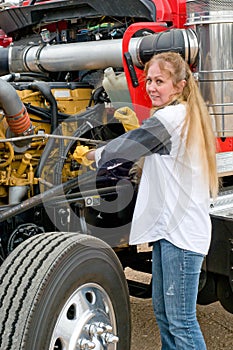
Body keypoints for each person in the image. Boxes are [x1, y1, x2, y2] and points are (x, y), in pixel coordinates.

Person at [73, 51, 219, 349]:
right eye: (148, 80)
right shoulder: (178, 116)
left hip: (180, 235)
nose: (151, 87)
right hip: (170, 230)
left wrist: (91, 154)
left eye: (160, 81)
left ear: (178, 85)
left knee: (181, 321)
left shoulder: (170, 118)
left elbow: (122, 150)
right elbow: (150, 152)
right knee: (165, 316)